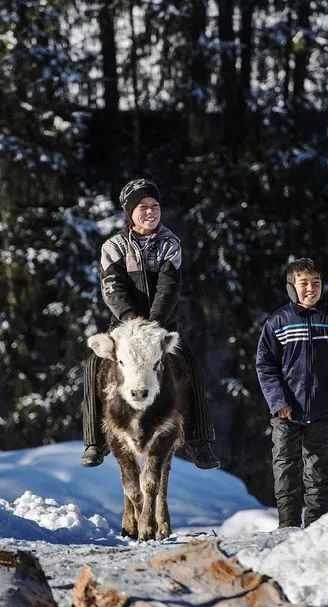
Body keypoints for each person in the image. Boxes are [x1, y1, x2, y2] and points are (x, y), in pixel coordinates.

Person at [80, 178, 220, 470]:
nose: (150, 212)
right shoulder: (114, 246)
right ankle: (95, 441)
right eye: (142, 207)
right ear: (130, 212)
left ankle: (199, 440)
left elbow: (169, 287)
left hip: (161, 328)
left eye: (155, 206)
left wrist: (154, 325)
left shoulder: (170, 243)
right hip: (124, 327)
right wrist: (132, 324)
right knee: (93, 366)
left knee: (191, 364)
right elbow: (112, 288)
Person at [255, 258, 328, 528]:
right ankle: (287, 526)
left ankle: (316, 527)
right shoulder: (278, 322)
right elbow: (265, 366)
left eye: (316, 283)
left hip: (323, 411)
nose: (311, 289)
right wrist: (279, 403)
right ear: (291, 287)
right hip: (286, 413)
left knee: (318, 473)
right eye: (304, 284)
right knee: (286, 469)